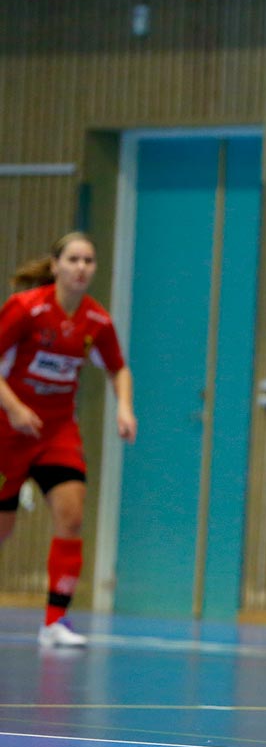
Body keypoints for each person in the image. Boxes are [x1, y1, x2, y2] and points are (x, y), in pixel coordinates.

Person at [0, 232, 137, 648]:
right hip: (9, 431)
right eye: (74, 259)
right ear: (56, 265)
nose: (81, 267)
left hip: (57, 431)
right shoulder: (26, 309)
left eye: (89, 261)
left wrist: (124, 407)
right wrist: (14, 408)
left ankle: (55, 621)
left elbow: (118, 368)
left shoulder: (96, 321)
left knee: (72, 516)